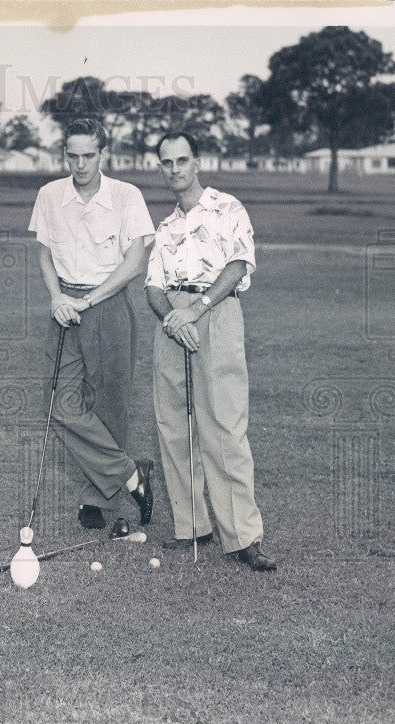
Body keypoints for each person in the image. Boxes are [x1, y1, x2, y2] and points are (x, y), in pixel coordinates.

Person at [145, 131, 277, 571]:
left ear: (197, 162)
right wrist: (172, 317)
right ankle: (192, 526)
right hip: (172, 321)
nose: (175, 168)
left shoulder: (227, 207)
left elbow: (239, 263)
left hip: (216, 311)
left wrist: (196, 310)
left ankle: (243, 537)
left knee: (224, 426)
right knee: (174, 428)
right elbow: (153, 286)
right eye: (167, 162)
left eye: (183, 160)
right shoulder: (164, 228)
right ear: (160, 167)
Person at [28, 117, 156, 536]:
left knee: (109, 405)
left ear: (103, 154)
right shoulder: (49, 195)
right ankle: (131, 474)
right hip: (66, 305)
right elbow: (45, 253)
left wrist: (86, 300)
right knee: (60, 405)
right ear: (64, 154)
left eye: (88, 155)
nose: (80, 164)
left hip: (108, 305)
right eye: (72, 155)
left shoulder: (126, 196)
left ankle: (96, 500)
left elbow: (134, 262)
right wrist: (57, 298)